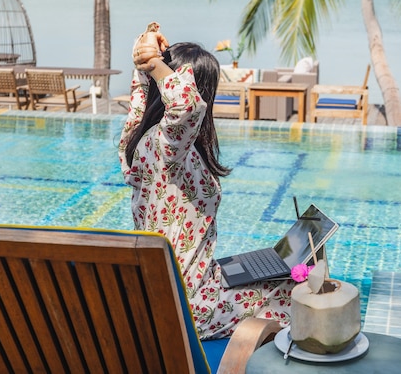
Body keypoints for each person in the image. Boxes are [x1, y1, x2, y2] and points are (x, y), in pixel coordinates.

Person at [118, 25, 296, 339]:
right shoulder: (169, 147)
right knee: (300, 285)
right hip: (190, 305)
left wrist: (145, 61)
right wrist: (156, 65)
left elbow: (138, 103)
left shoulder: (137, 141)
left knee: (277, 270)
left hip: (165, 291)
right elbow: (187, 108)